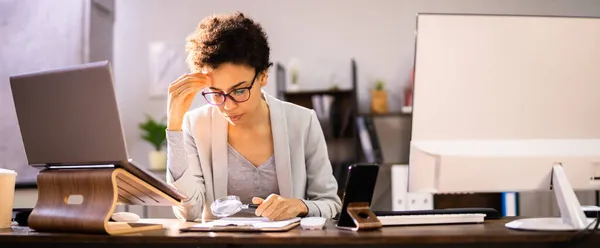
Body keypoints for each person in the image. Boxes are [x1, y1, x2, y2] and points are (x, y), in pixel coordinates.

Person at [165, 12, 342, 222]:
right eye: (216, 93)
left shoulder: (303, 122)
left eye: (239, 91)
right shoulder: (195, 125)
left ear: (263, 76)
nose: (227, 106)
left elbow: (330, 203)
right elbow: (188, 212)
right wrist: (174, 126)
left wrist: (300, 206)